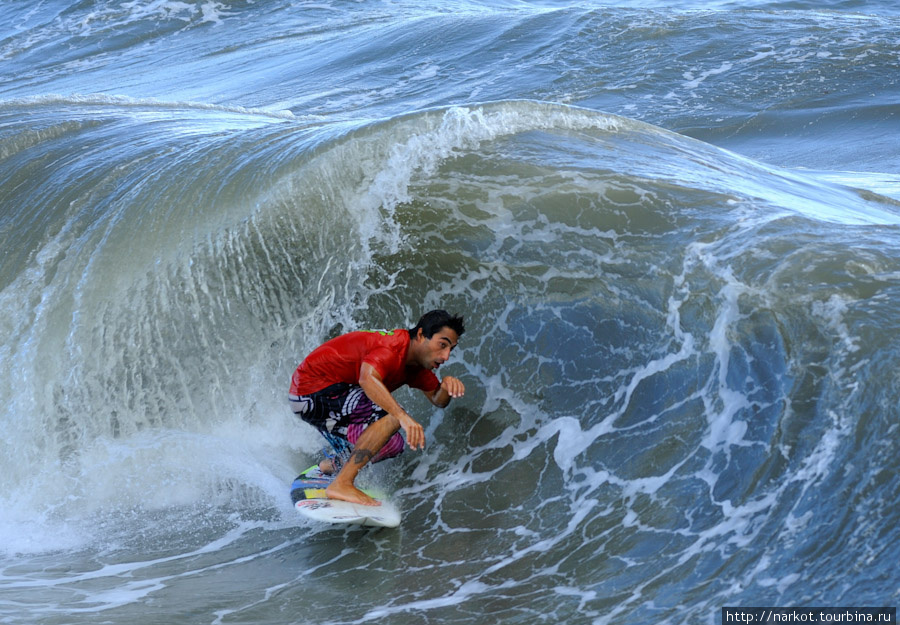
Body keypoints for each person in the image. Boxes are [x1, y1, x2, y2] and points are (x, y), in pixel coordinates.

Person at [289, 310, 466, 506]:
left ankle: (333, 466)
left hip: (326, 397)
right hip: (313, 389)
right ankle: (342, 484)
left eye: (451, 349)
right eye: (442, 345)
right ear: (421, 335)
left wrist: (446, 386)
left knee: (392, 444)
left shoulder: (415, 365)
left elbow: (438, 399)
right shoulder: (392, 348)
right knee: (391, 418)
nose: (446, 356)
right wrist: (401, 416)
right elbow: (367, 378)